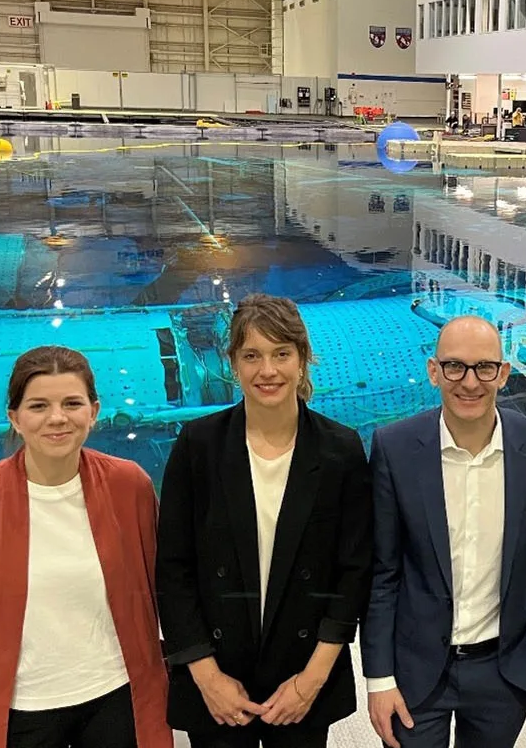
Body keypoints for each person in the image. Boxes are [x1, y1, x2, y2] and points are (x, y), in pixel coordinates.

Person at [156, 294, 372, 748]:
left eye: (281, 354)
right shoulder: (199, 445)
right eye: (252, 355)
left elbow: (352, 574)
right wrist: (206, 676)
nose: (267, 370)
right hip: (216, 674)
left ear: (302, 359)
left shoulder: (340, 450)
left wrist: (311, 681)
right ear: (233, 362)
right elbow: (173, 570)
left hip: (300, 676)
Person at [0, 346, 171, 748]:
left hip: (117, 696)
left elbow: (156, 585)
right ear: (15, 418)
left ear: (93, 411)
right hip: (23, 709)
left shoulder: (130, 487)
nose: (57, 418)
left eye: (72, 403)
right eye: (38, 405)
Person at [363, 316, 526, 748]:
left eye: (484, 368)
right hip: (416, 670)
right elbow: (383, 573)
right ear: (434, 370)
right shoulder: (394, 448)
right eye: (455, 366)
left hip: (503, 672)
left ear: (504, 374)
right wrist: (379, 677)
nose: (469, 382)